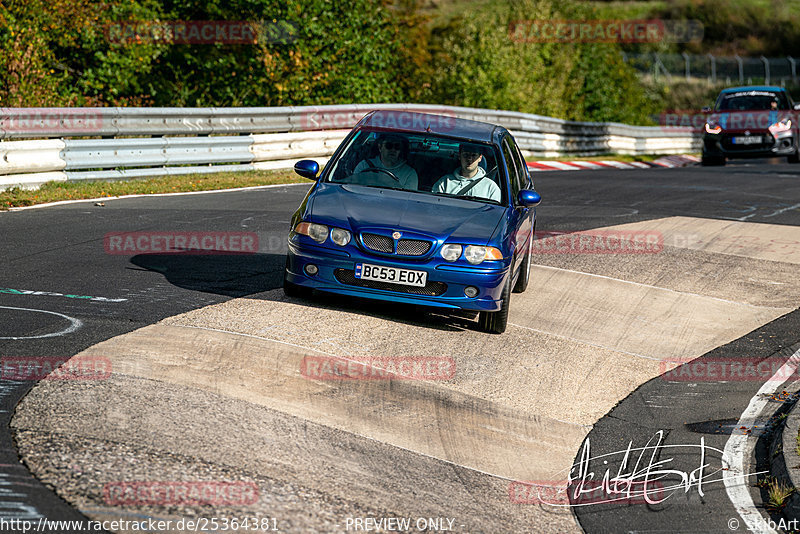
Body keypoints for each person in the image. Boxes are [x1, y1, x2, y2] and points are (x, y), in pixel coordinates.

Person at [432, 143, 501, 202]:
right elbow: (435, 207)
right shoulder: (444, 183)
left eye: (473, 155)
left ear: (480, 158)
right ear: (459, 156)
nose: (469, 159)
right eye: (466, 155)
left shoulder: (491, 187)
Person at [353, 134, 418, 190]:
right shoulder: (364, 166)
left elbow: (408, 200)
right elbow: (353, 189)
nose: (393, 150)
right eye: (389, 145)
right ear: (380, 147)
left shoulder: (409, 173)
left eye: (397, 147)